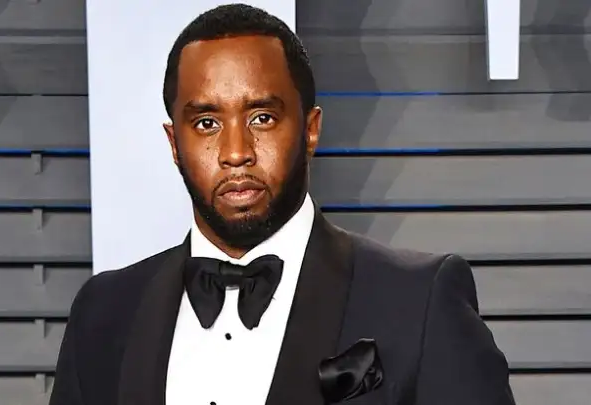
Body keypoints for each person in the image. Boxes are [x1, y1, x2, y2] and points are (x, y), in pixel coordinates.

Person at [49, 3, 516, 405]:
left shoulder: (418, 300)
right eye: (207, 123)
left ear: (311, 129)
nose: (236, 152)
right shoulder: (104, 313)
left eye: (262, 117)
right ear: (174, 143)